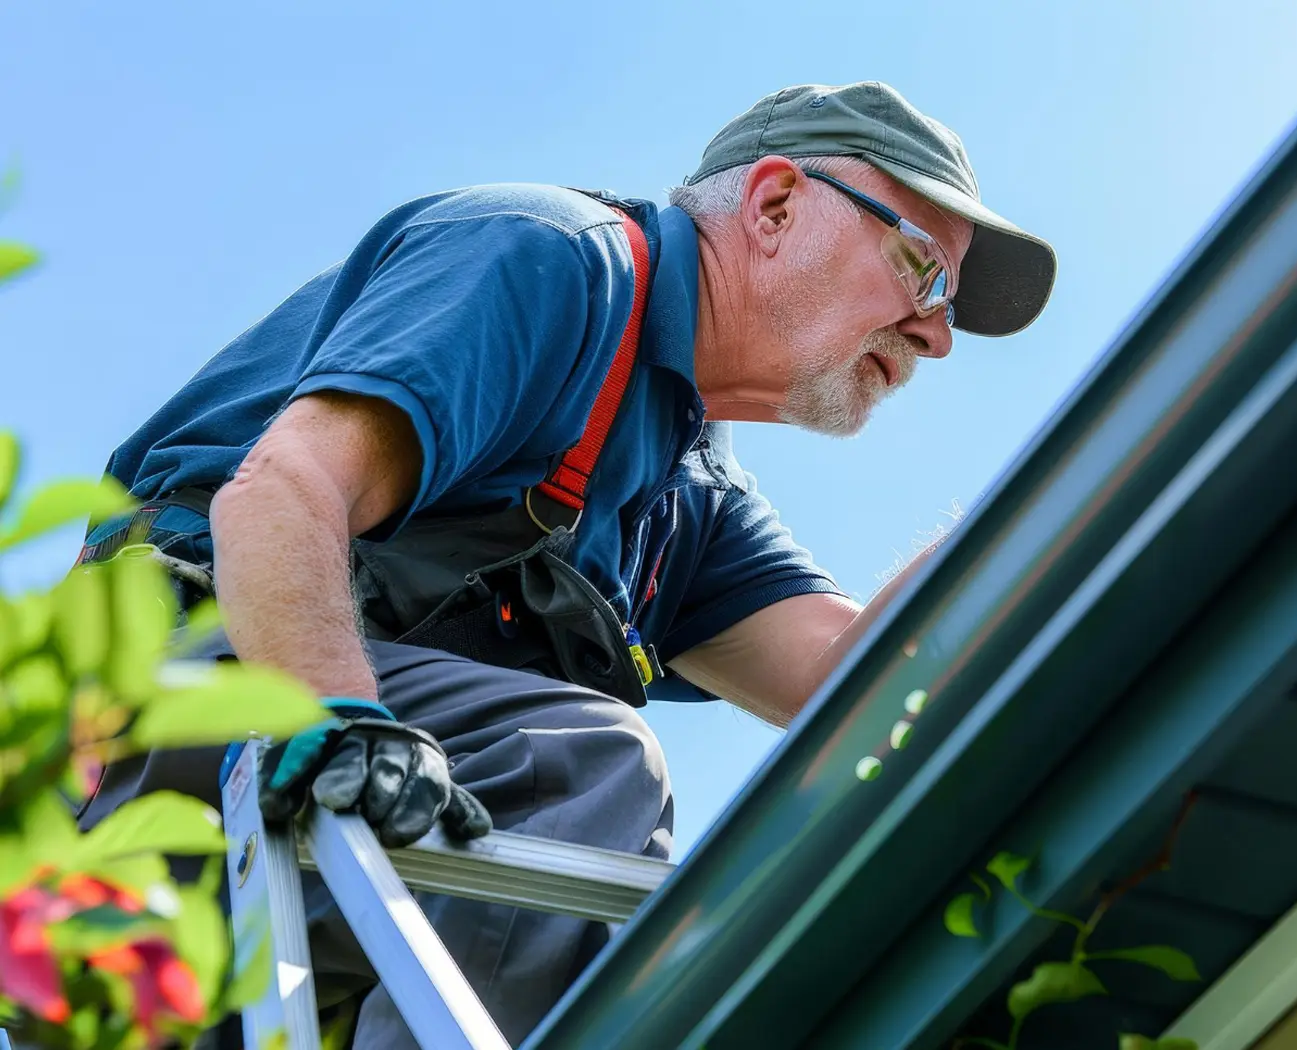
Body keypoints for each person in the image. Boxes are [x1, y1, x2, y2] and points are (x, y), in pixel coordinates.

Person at [72, 81, 1055, 1048]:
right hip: (171, 721)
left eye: (951, 308)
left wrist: (1058, 502)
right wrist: (339, 717)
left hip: (287, 864)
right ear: (776, 203)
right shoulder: (551, 263)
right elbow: (280, 493)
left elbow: (859, 682)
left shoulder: (687, 495)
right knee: (587, 771)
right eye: (922, 268)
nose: (935, 334)